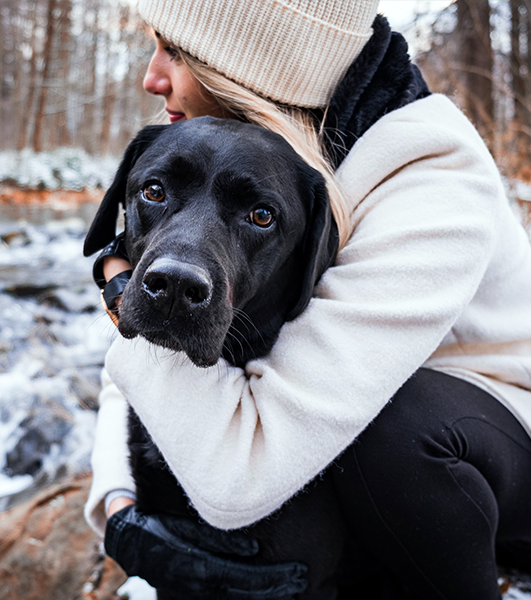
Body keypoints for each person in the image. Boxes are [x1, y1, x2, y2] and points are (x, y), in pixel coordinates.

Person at [84, 1, 531, 598]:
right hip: (333, 409)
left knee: (395, 431)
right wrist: (119, 503)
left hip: (487, 434)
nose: (151, 78)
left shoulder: (434, 180)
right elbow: (145, 352)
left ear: (251, 65)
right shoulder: (232, 152)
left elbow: (240, 476)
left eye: (177, 51)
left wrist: (120, 290)